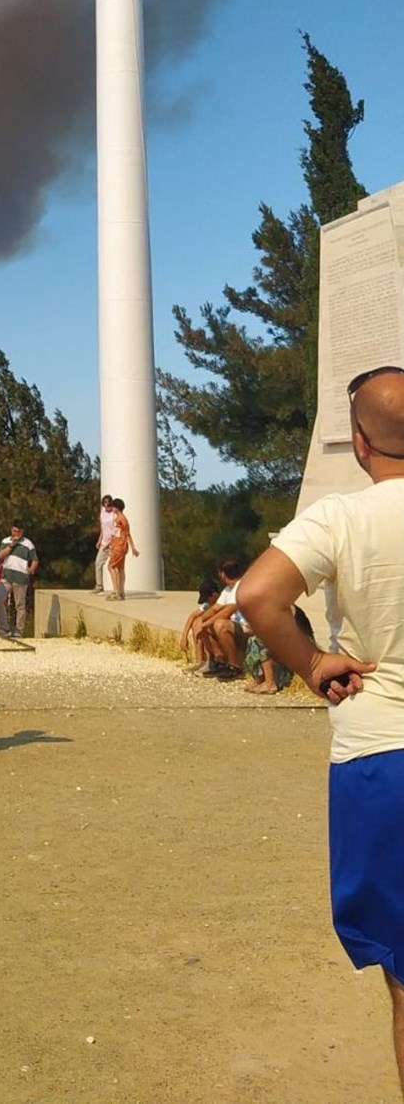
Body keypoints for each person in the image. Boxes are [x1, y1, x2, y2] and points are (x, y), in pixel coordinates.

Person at [236, 366, 404, 1092]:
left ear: (362, 443)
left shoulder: (341, 518)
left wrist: (311, 663)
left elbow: (258, 596)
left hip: (379, 754)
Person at [0, 519, 39, 637]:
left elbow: (35, 559)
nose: (16, 534)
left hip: (21, 578)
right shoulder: (5, 541)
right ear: (11, 530)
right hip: (7, 576)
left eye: (19, 532)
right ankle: (4, 628)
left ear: (22, 532)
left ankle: (19, 630)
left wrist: (31, 569)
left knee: (19, 605)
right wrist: (11, 546)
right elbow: (1, 555)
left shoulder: (28, 544)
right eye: (15, 531)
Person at [105, 499, 137, 602]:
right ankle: (121, 592)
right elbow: (115, 533)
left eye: (113, 506)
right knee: (120, 568)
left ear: (117, 508)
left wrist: (133, 548)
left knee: (111, 566)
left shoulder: (122, 519)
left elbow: (127, 534)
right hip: (116, 545)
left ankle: (116, 591)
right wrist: (109, 544)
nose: (112, 508)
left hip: (120, 546)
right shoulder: (117, 519)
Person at [94, 494, 117, 593]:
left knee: (113, 567)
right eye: (105, 504)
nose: (106, 506)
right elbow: (103, 529)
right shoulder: (102, 513)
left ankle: (116, 589)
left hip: (113, 544)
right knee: (98, 563)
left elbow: (116, 531)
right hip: (104, 543)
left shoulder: (114, 514)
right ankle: (99, 586)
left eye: (108, 503)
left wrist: (110, 543)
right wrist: (99, 540)